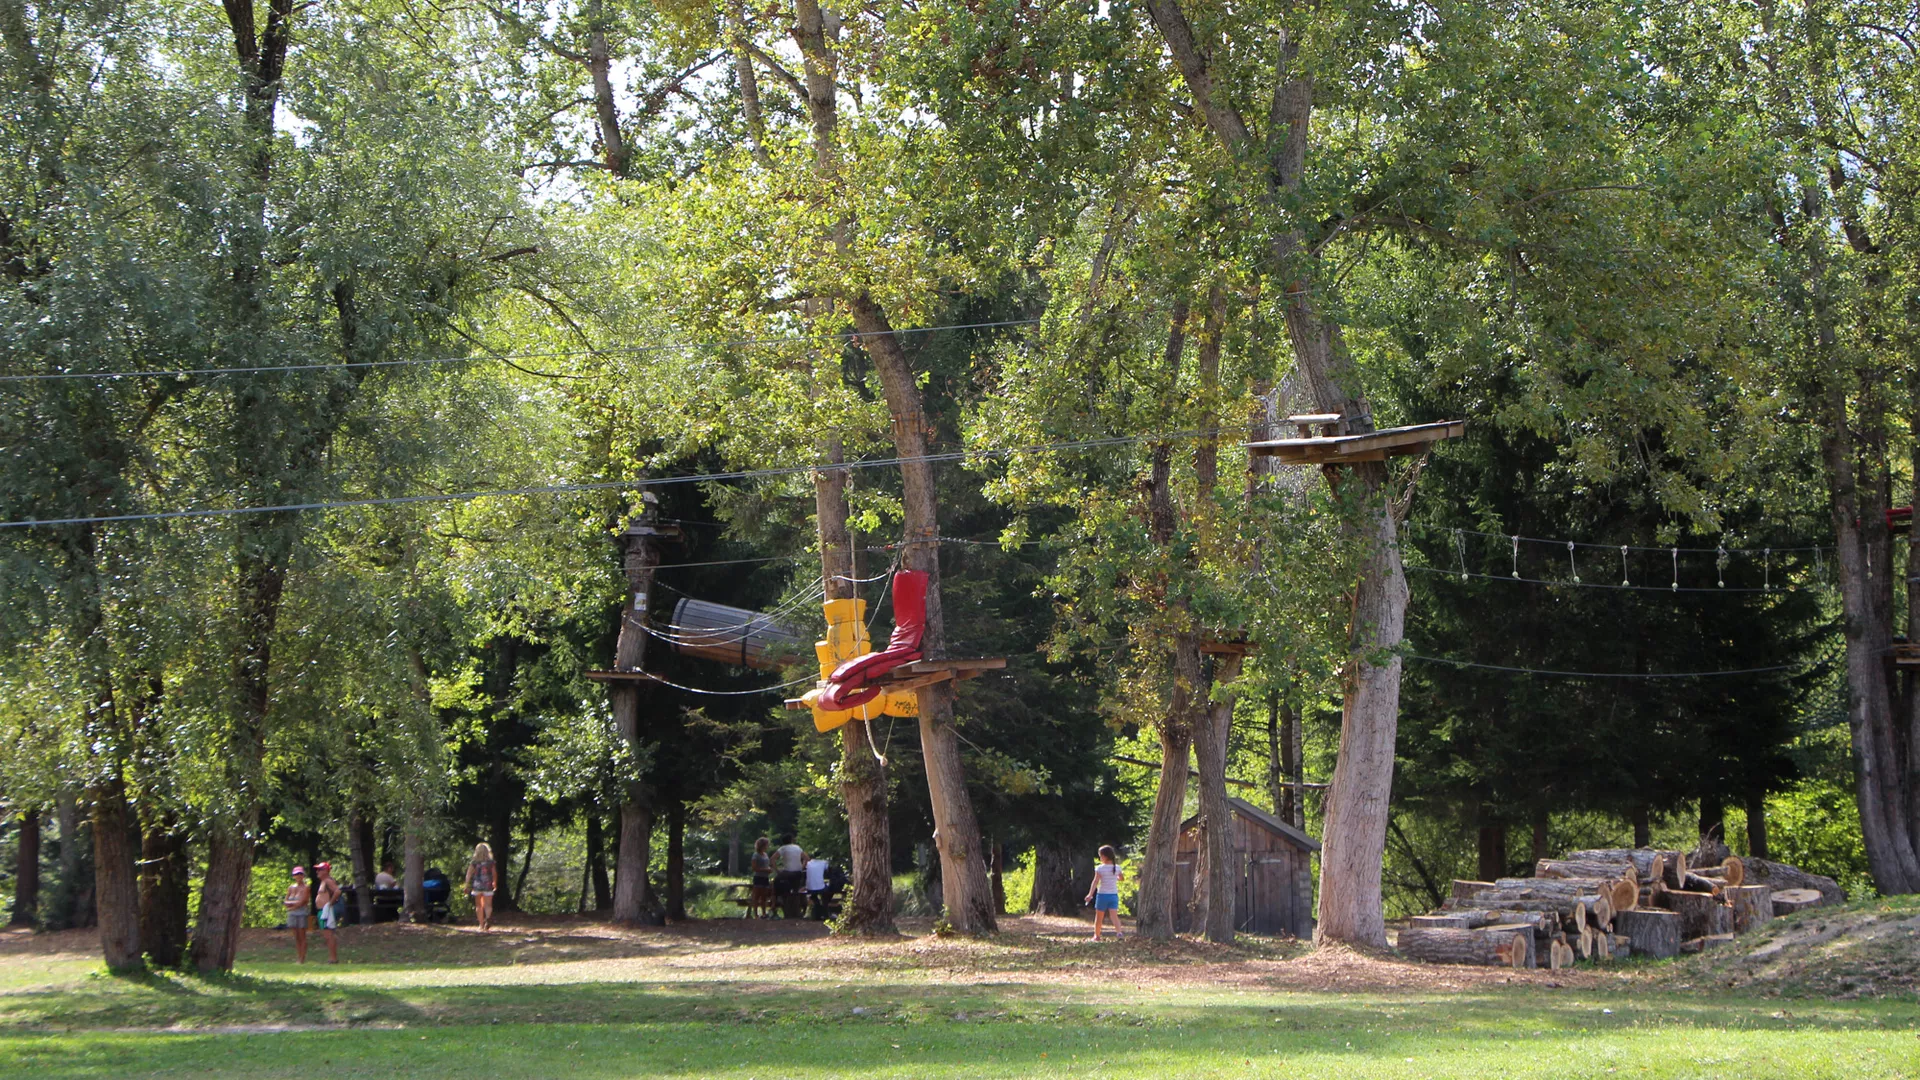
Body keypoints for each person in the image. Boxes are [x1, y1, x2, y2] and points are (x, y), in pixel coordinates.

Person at [1085, 845, 1124, 941]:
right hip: (1113, 895)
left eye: (1100, 856)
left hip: (1102, 895)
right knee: (1114, 916)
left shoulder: (1100, 868)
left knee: (1099, 917)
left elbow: (1095, 882)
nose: (1100, 858)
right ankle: (1119, 933)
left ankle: (1097, 936)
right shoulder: (1117, 868)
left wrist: (1090, 894)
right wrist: (1116, 878)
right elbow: (1122, 878)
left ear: (1105, 856)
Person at [312, 862, 343, 964]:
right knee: (326, 935)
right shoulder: (323, 881)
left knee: (329, 934)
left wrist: (330, 903)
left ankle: (333, 958)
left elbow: (337, 891)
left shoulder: (328, 881)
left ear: (326, 871)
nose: (317, 872)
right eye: (317, 870)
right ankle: (331, 957)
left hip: (326, 911)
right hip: (322, 911)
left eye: (320, 870)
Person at [465, 842, 498, 931]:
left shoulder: (474, 862)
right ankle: (488, 918)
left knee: (478, 906)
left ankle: (481, 924)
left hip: (477, 886)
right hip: (488, 885)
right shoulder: (491, 862)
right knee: (488, 905)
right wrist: (494, 882)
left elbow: (468, 874)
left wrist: (467, 885)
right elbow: (494, 873)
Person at [773, 834, 807, 918]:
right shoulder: (797, 847)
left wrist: (777, 871)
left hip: (787, 872)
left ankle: (776, 900)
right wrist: (801, 867)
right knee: (796, 890)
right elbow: (806, 858)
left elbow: (772, 859)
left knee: (775, 882)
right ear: (791, 840)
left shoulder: (782, 848)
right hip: (798, 873)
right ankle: (798, 911)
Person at [283, 866, 311, 963]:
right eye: (296, 874)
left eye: (300, 874)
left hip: (302, 913)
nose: (298, 876)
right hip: (292, 914)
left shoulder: (306, 888)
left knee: (302, 936)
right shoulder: (291, 887)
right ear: (293, 876)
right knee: (296, 937)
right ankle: (298, 957)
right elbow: (285, 901)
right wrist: (293, 905)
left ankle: (302, 958)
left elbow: (303, 901)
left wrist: (292, 905)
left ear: (303, 875)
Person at [748, 837, 774, 918]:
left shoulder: (765, 855)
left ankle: (764, 912)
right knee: (757, 896)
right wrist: (765, 870)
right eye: (766, 845)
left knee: (764, 896)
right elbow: (754, 868)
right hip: (758, 877)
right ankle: (755, 914)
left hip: (765, 878)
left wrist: (770, 869)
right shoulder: (756, 855)